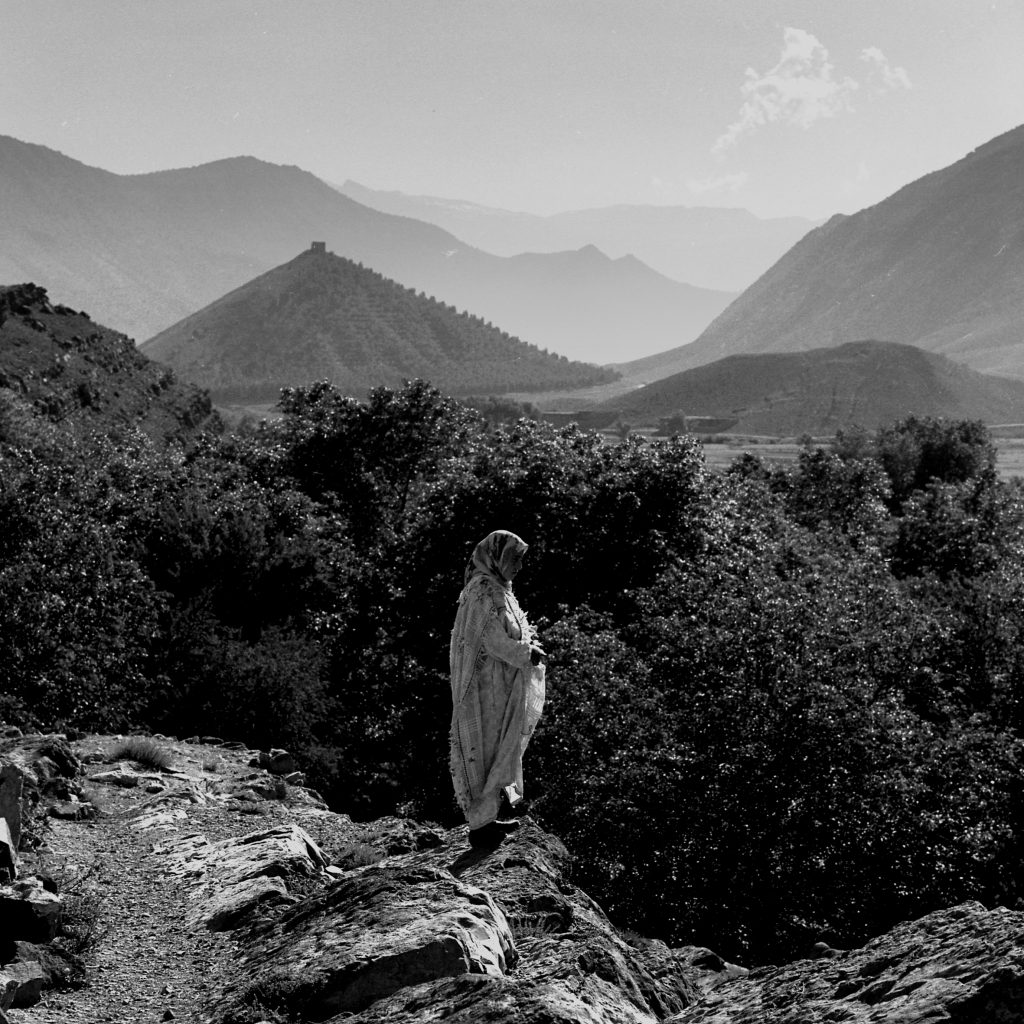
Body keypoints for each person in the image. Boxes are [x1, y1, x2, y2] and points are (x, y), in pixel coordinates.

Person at [449, 530, 546, 849]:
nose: (518, 566)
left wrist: (527, 649)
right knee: (488, 751)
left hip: (503, 688)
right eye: (513, 559)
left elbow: (514, 631)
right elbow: (491, 640)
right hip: (486, 691)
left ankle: (491, 816)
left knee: (502, 752)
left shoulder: (503, 591)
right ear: (496, 558)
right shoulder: (481, 591)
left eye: (520, 560)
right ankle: (480, 825)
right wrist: (525, 654)